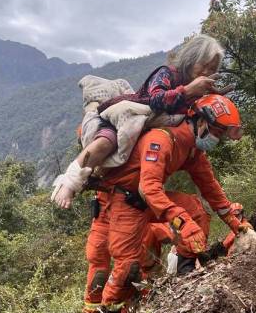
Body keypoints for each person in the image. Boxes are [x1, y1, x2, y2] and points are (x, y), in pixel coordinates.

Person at [95, 94, 251, 313]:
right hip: (125, 201)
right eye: (216, 132)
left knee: (197, 211)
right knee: (128, 267)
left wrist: (237, 225)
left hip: (149, 200)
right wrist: (181, 221)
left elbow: (211, 189)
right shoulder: (161, 140)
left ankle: (184, 274)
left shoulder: (193, 150)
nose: (217, 138)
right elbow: (148, 188)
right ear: (200, 121)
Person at [51, 34, 234, 209]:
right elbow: (156, 100)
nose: (206, 72)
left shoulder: (199, 91)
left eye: (212, 69)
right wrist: (187, 90)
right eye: (204, 65)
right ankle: (68, 182)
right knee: (106, 142)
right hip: (124, 117)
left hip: (151, 132)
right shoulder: (167, 74)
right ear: (191, 59)